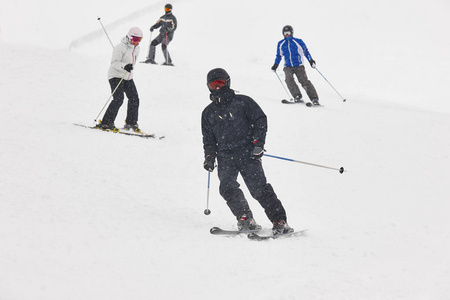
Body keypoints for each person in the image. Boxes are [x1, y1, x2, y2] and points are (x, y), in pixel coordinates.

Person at [201, 68, 294, 236]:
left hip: (248, 153)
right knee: (227, 188)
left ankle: (279, 220)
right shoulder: (208, 113)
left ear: (227, 82)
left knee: (258, 188)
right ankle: (245, 218)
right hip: (225, 157)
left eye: (220, 83)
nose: (216, 87)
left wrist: (258, 144)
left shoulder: (243, 102)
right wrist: (209, 157)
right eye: (212, 84)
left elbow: (260, 120)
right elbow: (208, 139)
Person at [97, 27, 143, 132]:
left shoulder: (137, 49)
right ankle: (106, 122)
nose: (137, 42)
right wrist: (124, 66)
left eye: (139, 40)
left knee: (134, 98)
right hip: (115, 75)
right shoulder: (120, 47)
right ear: (129, 37)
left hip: (127, 76)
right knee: (118, 98)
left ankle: (131, 123)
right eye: (135, 39)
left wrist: (128, 68)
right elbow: (114, 63)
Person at [272, 25, 320, 105]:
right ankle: (297, 96)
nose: (287, 35)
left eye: (288, 33)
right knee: (288, 80)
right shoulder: (281, 43)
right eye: (285, 33)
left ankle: (314, 98)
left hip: (298, 65)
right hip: (287, 66)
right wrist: (275, 65)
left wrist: (311, 60)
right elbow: (279, 55)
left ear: (292, 33)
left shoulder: (298, 41)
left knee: (304, 81)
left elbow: (306, 52)